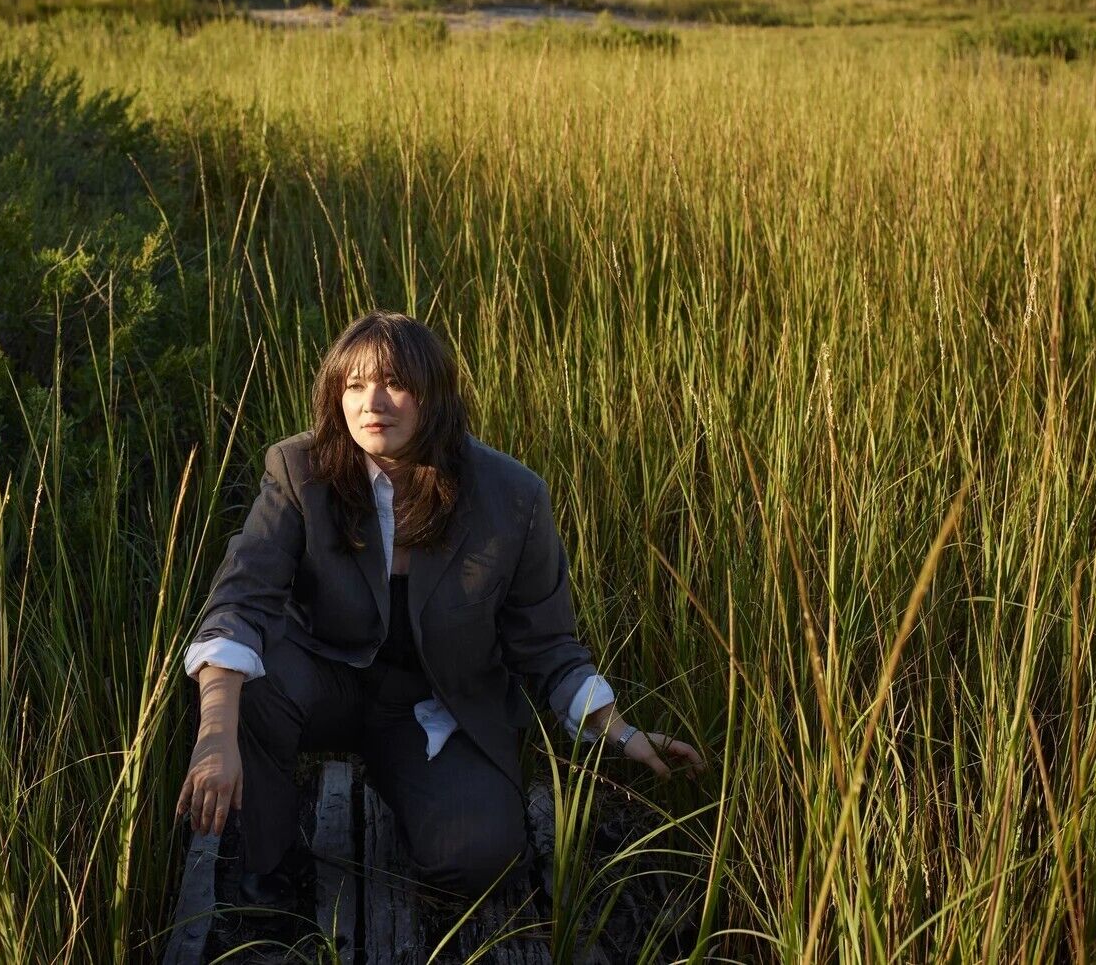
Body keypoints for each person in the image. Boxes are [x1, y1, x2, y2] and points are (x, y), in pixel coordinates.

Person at [175, 309, 704, 910]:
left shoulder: (513, 496)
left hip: (433, 707)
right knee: (250, 680)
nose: (372, 402)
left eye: (396, 383)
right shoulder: (301, 470)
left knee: (481, 859)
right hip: (324, 681)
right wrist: (215, 733)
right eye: (354, 384)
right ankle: (269, 870)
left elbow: (547, 643)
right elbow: (242, 598)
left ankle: (412, 790)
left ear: (437, 395)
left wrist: (622, 732)